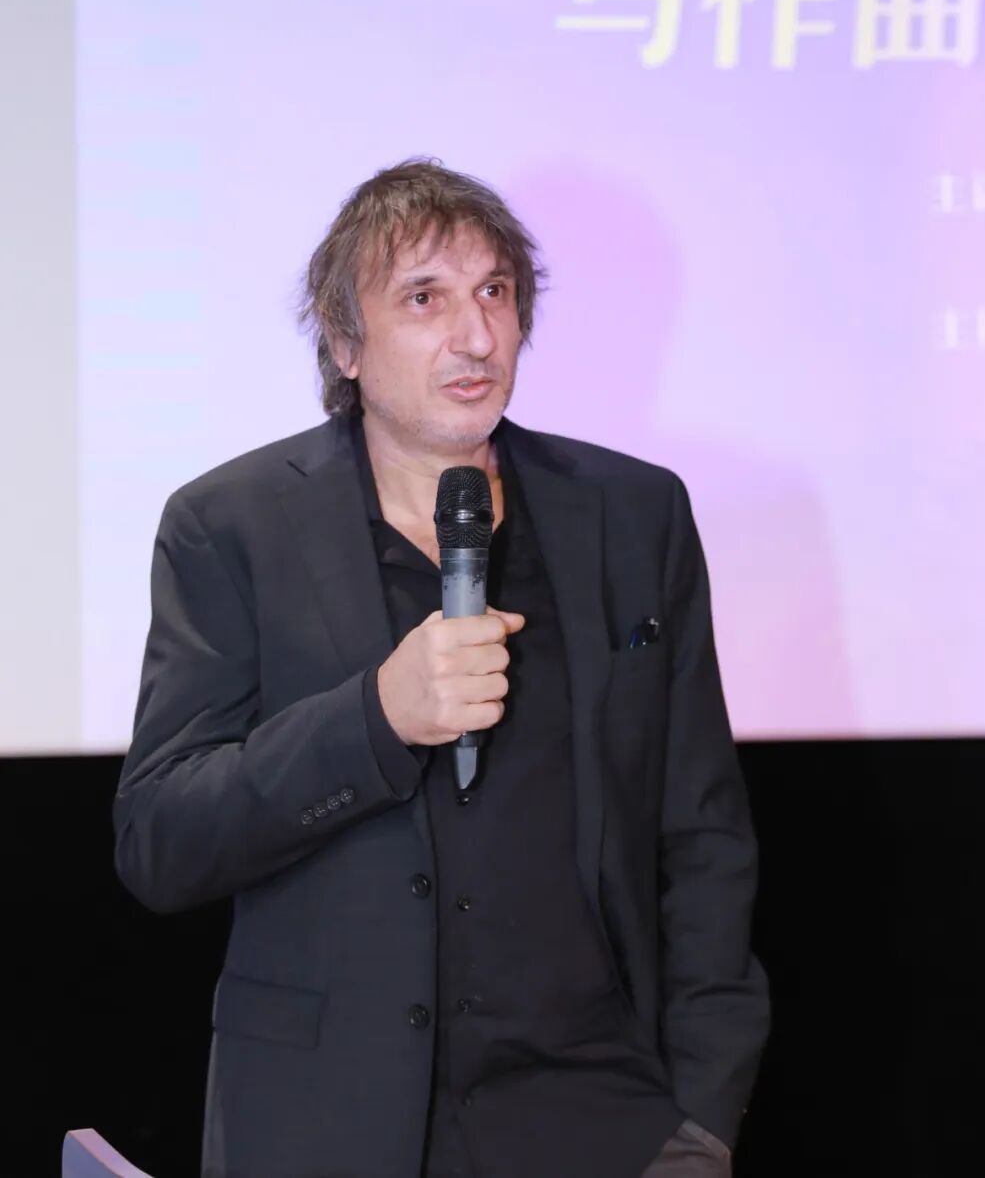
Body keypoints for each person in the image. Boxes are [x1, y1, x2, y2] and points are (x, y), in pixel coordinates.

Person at [114, 159, 769, 1178]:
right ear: (345, 343)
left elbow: (704, 836)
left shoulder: (633, 514)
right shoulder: (230, 526)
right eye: (424, 298)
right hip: (327, 1127)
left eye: (494, 292)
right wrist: (375, 719)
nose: (475, 336)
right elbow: (161, 838)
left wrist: (703, 1114)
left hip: (600, 1117)